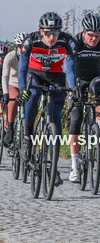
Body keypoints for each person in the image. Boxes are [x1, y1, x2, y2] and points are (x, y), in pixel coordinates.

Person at [18, 13, 78, 180]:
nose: (52, 37)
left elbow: (71, 70)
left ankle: (54, 168)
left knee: (56, 117)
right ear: (41, 31)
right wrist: (23, 88)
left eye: (55, 33)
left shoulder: (67, 41)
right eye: (48, 33)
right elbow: (22, 67)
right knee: (33, 95)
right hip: (35, 74)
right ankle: (27, 138)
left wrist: (72, 90)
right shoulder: (31, 40)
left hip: (57, 76)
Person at [68, 13, 100, 183]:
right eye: (91, 35)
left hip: (96, 77)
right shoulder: (75, 42)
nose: (94, 39)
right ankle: (74, 165)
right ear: (84, 32)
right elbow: (69, 67)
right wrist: (72, 89)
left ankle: (98, 129)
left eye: (97, 35)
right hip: (77, 78)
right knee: (76, 118)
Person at [1, 37, 21, 147]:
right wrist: (5, 94)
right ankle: (10, 127)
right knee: (15, 97)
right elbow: (5, 76)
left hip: (25, 84)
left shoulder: (30, 55)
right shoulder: (11, 56)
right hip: (12, 83)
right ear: (16, 46)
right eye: (20, 46)